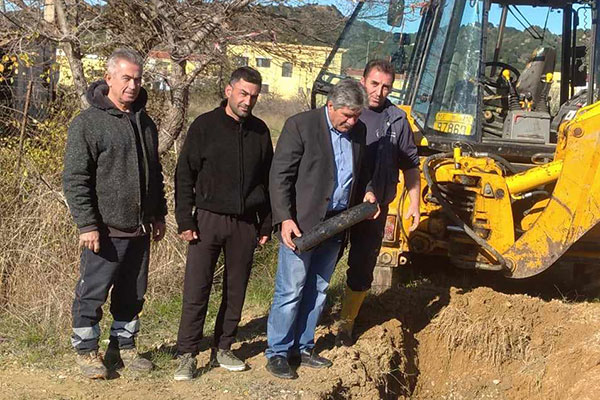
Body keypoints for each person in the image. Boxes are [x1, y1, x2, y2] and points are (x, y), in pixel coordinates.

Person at [63, 48, 168, 379]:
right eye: (126, 78)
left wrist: (159, 213)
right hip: (104, 230)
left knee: (132, 293)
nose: (133, 85)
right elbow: (75, 178)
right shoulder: (88, 123)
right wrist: (87, 224)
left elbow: (154, 172)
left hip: (140, 228)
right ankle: (86, 351)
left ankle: (123, 347)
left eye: (137, 79)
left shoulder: (145, 122)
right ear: (108, 78)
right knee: (93, 292)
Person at [265, 79, 377, 380]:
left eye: (357, 116)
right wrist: (284, 218)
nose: (352, 122)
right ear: (331, 105)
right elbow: (280, 176)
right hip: (302, 224)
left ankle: (303, 347)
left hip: (337, 223)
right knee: (291, 289)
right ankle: (277, 352)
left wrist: (368, 191)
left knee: (318, 288)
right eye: (347, 115)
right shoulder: (300, 126)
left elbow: (362, 171)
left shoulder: (359, 131)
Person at [173, 66, 273, 381]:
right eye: (243, 93)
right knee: (197, 288)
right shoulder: (204, 126)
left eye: (253, 96)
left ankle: (224, 347)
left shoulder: (260, 131)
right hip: (207, 219)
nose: (247, 101)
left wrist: (266, 223)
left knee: (236, 289)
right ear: (229, 91)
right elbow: (184, 174)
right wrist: (184, 218)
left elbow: (267, 180)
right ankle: (187, 354)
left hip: (245, 223)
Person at [336, 59, 421, 347]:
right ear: (363, 81)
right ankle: (310, 322)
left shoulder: (397, 120)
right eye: (374, 84)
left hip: (375, 209)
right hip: (340, 204)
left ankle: (345, 325)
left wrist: (414, 203)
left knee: (363, 267)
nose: (379, 91)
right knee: (324, 263)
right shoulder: (348, 112)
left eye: (386, 87)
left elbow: (410, 164)